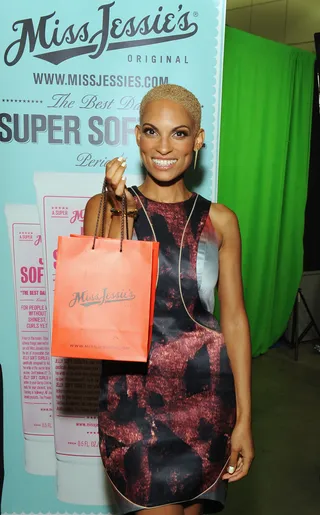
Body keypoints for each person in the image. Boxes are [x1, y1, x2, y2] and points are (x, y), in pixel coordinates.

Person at [84, 84, 254, 515]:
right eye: (151, 131)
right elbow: (96, 308)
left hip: (208, 404)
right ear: (137, 136)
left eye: (179, 134)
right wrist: (117, 214)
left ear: (198, 140)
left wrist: (245, 420)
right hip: (134, 405)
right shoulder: (105, 208)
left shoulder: (221, 222)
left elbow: (233, 321)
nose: (163, 147)